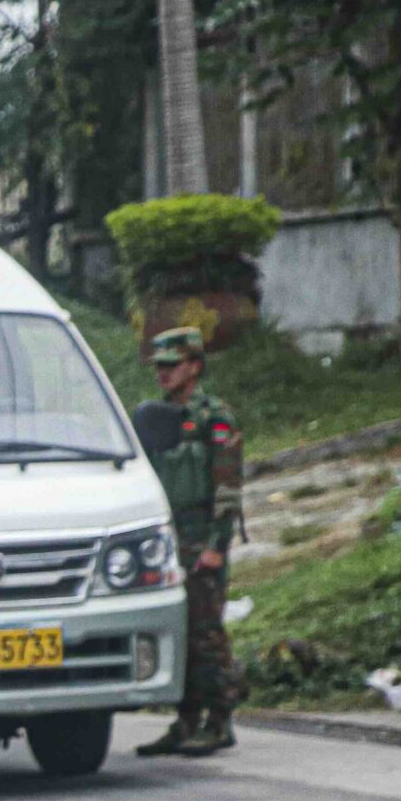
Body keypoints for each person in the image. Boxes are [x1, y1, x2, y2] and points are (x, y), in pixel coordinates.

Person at [133, 325, 245, 758]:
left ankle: (219, 720)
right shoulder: (156, 418)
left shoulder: (215, 419)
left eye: (172, 366)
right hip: (168, 537)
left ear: (194, 367)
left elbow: (228, 488)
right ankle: (185, 720)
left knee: (206, 630)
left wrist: (217, 545)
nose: (163, 375)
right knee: (177, 631)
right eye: (159, 367)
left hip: (202, 536)